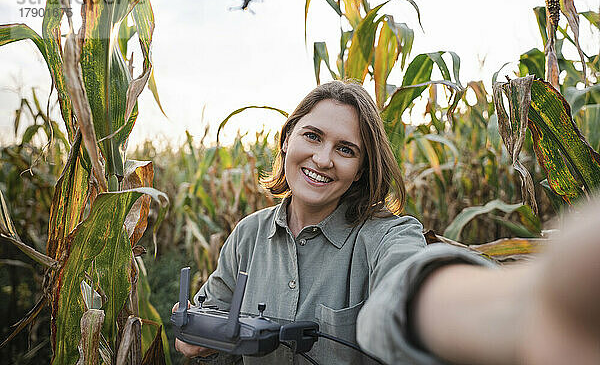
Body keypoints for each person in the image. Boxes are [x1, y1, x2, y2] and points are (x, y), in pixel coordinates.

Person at [174, 80, 600, 364]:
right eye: (312, 136)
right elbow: (207, 317)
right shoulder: (248, 235)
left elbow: (409, 290)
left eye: (346, 149)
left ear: (361, 169)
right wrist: (192, 331)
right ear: (287, 139)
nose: (323, 159)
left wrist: (530, 307)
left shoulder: (387, 236)